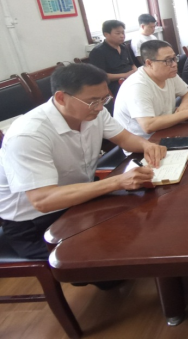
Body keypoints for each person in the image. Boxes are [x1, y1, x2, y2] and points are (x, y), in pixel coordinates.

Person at [0, 64, 165, 259]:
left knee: (146, 219)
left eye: (104, 99)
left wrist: (147, 145)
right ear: (61, 98)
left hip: (80, 201)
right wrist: (117, 182)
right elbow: (43, 201)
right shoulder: (29, 135)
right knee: (113, 253)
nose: (100, 107)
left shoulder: (94, 112)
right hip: (36, 223)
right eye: (93, 101)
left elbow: (125, 138)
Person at [114, 40, 188, 140]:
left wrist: (184, 107)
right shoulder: (137, 86)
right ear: (149, 63)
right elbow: (148, 125)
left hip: (167, 129)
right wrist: (187, 113)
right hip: (144, 141)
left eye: (174, 58)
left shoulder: (168, 74)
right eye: (168, 60)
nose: (174, 64)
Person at [89, 20, 136, 98]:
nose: (122, 36)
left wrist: (136, 72)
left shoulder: (123, 47)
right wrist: (125, 75)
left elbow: (132, 64)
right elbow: (101, 76)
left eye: (123, 33)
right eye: (118, 33)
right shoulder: (98, 52)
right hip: (115, 84)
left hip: (131, 79)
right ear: (106, 34)